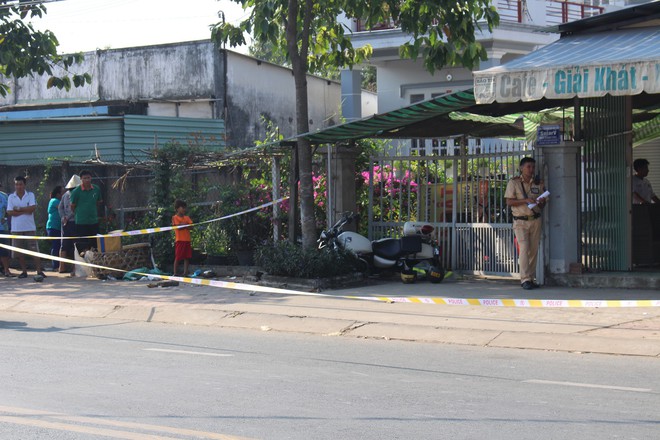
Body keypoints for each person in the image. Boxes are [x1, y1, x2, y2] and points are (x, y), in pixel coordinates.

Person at [505, 157, 547, 290]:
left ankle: (531, 278)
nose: (531, 169)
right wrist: (525, 200)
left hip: (535, 220)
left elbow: (544, 202)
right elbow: (509, 202)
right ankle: (524, 279)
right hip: (520, 221)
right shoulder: (514, 182)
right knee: (524, 248)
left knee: (533, 251)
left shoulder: (538, 183)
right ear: (521, 168)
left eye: (533, 167)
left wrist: (541, 202)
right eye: (528, 167)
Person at [6, 176, 45, 279]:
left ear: (24, 185)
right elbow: (10, 212)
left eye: (20, 184)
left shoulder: (30, 195)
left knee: (34, 250)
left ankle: (39, 270)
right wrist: (25, 211)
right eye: (16, 184)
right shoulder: (11, 197)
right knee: (19, 252)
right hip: (16, 228)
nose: (18, 186)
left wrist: (19, 209)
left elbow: (32, 208)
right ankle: (24, 271)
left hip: (29, 227)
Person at [70, 170, 103, 252]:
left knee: (95, 244)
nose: (87, 180)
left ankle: (95, 262)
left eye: (88, 178)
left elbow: (99, 202)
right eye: (85, 178)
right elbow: (72, 206)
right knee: (82, 245)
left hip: (93, 221)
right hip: (81, 222)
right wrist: (79, 213)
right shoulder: (76, 191)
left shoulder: (96, 189)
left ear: (91, 178)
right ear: (81, 179)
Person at [58, 174, 81, 273]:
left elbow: (61, 208)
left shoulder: (65, 194)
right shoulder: (72, 195)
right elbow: (64, 208)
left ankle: (65, 268)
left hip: (68, 222)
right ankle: (67, 267)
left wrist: (64, 217)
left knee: (68, 245)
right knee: (73, 245)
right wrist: (65, 217)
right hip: (71, 222)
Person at [172, 199, 193, 276]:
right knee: (178, 257)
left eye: (185, 208)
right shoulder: (175, 218)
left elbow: (191, 227)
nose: (184, 209)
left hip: (187, 240)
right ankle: (175, 272)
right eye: (182, 208)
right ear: (177, 208)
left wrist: (184, 225)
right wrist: (185, 225)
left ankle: (185, 272)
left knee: (187, 257)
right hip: (180, 240)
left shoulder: (187, 218)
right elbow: (178, 227)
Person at [46, 185, 63, 270]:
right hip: (53, 227)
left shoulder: (56, 200)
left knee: (57, 245)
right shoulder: (55, 201)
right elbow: (62, 207)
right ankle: (55, 265)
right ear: (57, 194)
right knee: (56, 246)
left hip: (57, 227)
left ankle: (57, 265)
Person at [0, 184, 13, 277]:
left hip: (2, 227)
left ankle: (6, 270)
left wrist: (5, 218)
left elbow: (9, 211)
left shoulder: (4, 196)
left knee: (4, 250)